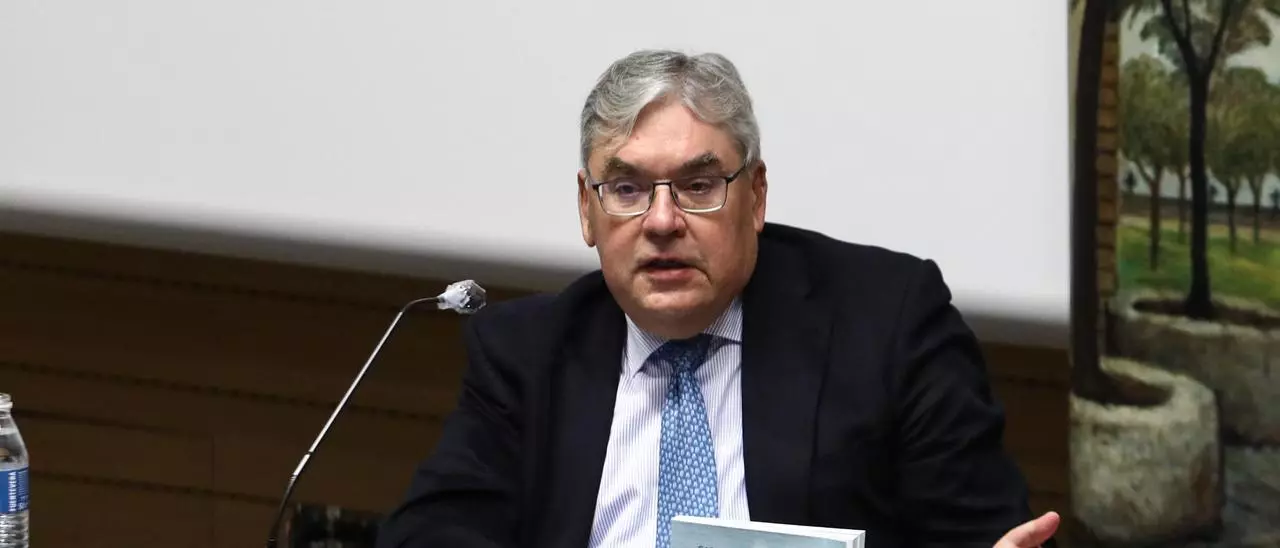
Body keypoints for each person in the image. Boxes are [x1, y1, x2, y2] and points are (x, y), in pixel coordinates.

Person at [377, 49, 1060, 548]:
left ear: (755, 197)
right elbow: (431, 532)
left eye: (698, 186)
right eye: (627, 189)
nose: (662, 221)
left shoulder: (886, 323)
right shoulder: (526, 354)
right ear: (587, 210)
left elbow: (983, 533)